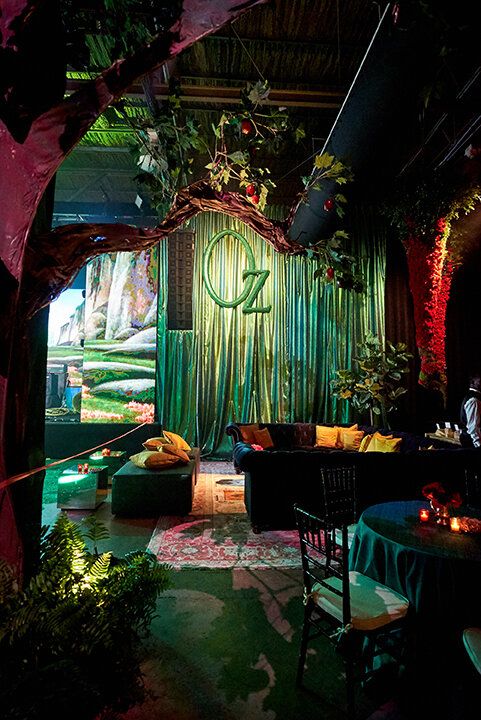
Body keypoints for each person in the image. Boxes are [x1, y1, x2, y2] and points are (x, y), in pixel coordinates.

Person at [460, 372, 481, 448]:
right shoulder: (474, 400)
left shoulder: (474, 397)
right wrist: (478, 445)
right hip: (472, 444)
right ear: (472, 383)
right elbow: (474, 427)